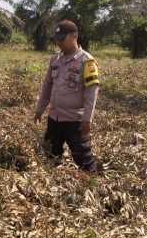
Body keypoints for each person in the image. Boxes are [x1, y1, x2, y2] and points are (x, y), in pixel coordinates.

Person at [34, 20, 100, 172]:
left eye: (62, 39)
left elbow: (92, 92)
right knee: (50, 155)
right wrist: (40, 109)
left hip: (74, 121)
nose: (59, 43)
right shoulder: (55, 60)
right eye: (57, 39)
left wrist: (87, 119)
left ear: (74, 36)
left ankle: (92, 186)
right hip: (54, 118)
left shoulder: (87, 62)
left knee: (84, 160)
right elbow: (47, 85)